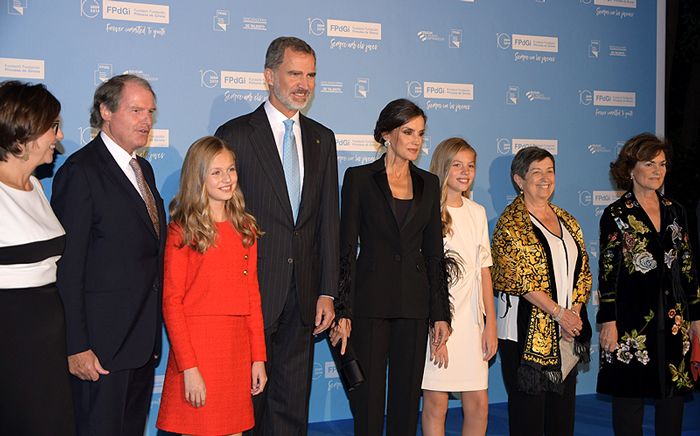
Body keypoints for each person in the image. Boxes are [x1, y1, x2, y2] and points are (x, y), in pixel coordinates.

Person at [214, 36, 339, 436]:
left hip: (303, 295)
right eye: (294, 73)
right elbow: (222, 219)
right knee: (246, 404)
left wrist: (327, 290)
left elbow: (327, 222)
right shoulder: (235, 134)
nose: (304, 83)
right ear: (269, 76)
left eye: (311, 75)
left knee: (291, 406)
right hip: (250, 291)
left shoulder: (323, 138)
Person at [52, 74, 166, 436]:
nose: (146, 120)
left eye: (150, 111)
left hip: (142, 344)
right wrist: (77, 346)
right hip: (99, 351)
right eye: (135, 110)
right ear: (105, 111)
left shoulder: (142, 168)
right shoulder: (81, 171)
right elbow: (68, 268)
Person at [330, 98, 451, 436]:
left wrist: (440, 313)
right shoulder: (359, 179)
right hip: (369, 304)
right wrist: (343, 309)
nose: (416, 140)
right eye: (407, 132)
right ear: (386, 134)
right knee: (367, 404)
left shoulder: (429, 183)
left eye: (421, 134)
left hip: (414, 306)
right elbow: (345, 249)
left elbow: (434, 254)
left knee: (405, 403)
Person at [156, 136, 267, 435]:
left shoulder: (246, 229)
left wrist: (258, 357)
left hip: (236, 351)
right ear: (198, 177)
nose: (227, 178)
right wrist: (188, 367)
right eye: (216, 172)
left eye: (231, 170)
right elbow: (172, 302)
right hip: (198, 352)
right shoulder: (183, 230)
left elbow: (252, 298)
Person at [596, 132, 700, 436]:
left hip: (674, 319)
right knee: (628, 400)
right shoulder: (616, 214)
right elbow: (608, 271)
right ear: (630, 169)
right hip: (630, 322)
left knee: (672, 400)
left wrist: (696, 318)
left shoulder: (676, 211)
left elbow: (689, 268)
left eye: (662, 164)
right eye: (649, 164)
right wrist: (608, 320)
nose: (658, 171)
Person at [491, 146, 592, 436]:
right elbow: (519, 279)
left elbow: (582, 272)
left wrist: (572, 315)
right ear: (519, 180)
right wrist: (559, 314)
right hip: (524, 336)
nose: (545, 178)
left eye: (550, 171)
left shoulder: (567, 220)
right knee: (529, 418)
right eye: (536, 172)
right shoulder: (510, 224)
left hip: (565, 333)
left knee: (562, 418)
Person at [0, 81, 75, 436]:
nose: (58, 138)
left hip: (47, 336)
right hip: (11, 336)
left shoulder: (37, 187)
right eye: (53, 127)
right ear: (24, 134)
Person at [420, 137, 497, 436]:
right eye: (457, 165)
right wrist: (434, 328)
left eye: (471, 166)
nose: (465, 172)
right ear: (442, 167)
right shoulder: (427, 212)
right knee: (436, 404)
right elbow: (424, 274)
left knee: (479, 404)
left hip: (472, 324)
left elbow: (484, 271)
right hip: (438, 322)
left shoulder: (477, 212)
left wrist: (490, 324)